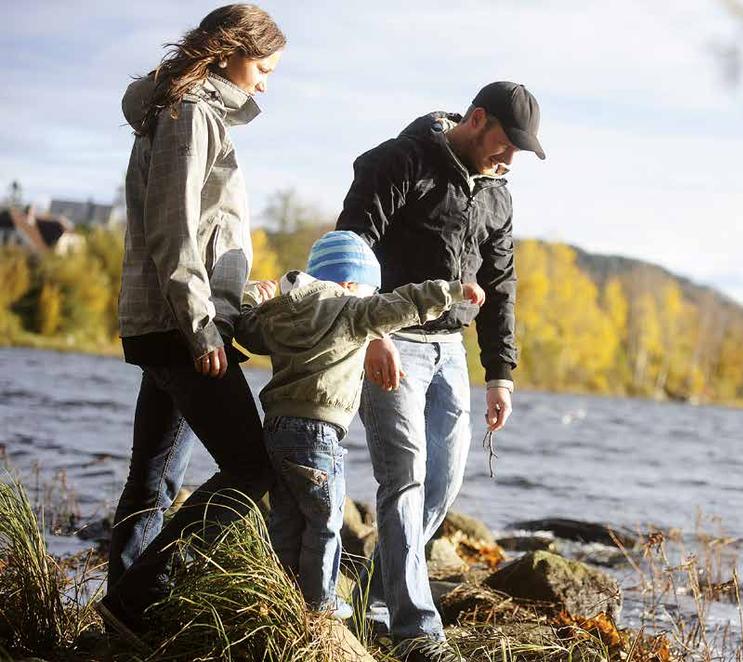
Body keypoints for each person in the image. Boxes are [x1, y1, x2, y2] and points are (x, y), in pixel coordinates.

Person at [335, 81, 545, 659]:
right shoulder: (399, 162)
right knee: (402, 477)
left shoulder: (497, 195)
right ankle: (415, 633)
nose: (511, 160)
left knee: (442, 481)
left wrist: (501, 374)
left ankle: (367, 597)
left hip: (450, 349)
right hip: (393, 340)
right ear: (477, 120)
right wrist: (370, 330)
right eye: (507, 145)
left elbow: (501, 289)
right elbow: (352, 250)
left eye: (521, 153)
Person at [98, 4, 285, 647]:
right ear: (231, 52)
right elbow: (174, 227)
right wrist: (205, 325)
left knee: (153, 473)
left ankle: (120, 613)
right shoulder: (191, 114)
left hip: (166, 321)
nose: (265, 82)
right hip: (181, 325)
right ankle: (136, 600)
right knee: (254, 469)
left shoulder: (173, 108)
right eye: (263, 67)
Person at [233, 230, 485, 623]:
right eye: (371, 290)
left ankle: (280, 594)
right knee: (325, 521)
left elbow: (245, 329)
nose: (373, 298)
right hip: (320, 433)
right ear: (351, 283)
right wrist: (451, 291)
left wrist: (252, 297)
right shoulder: (352, 309)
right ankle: (320, 605)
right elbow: (403, 304)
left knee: (286, 518)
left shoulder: (282, 310)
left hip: (278, 429)